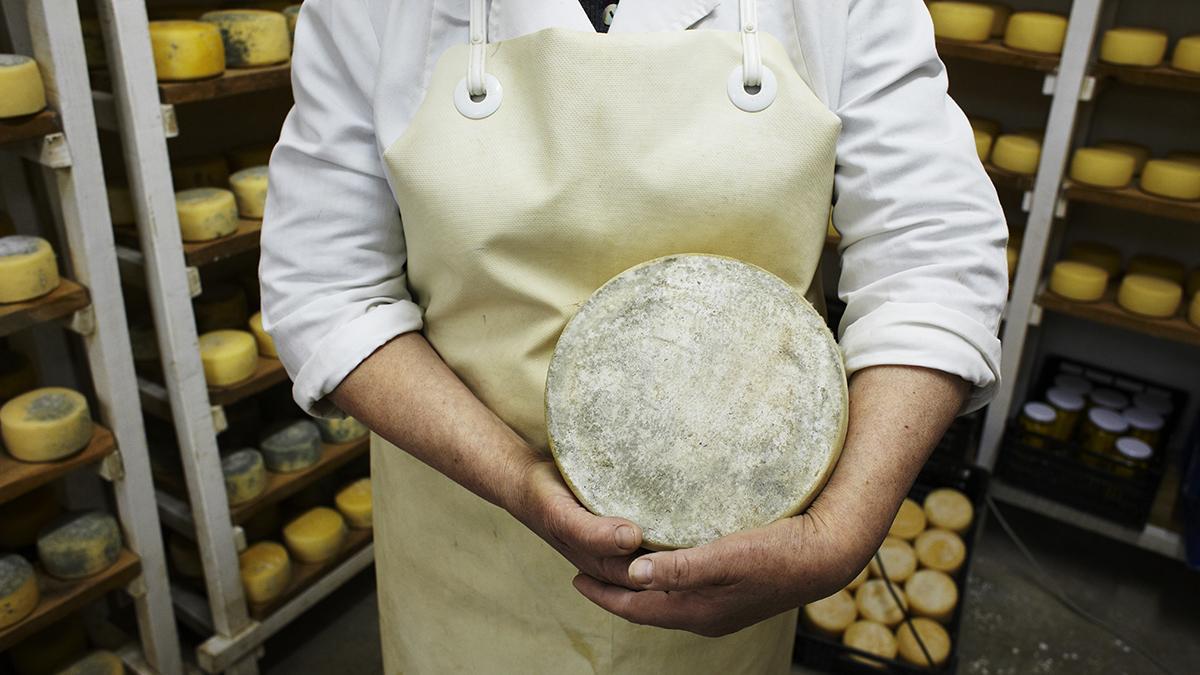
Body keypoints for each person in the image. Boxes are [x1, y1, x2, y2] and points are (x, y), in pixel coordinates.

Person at [259, 0, 1007, 672]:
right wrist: (518, 480)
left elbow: (932, 255)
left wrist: (841, 532)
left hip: (737, 582)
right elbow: (327, 287)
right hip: (470, 547)